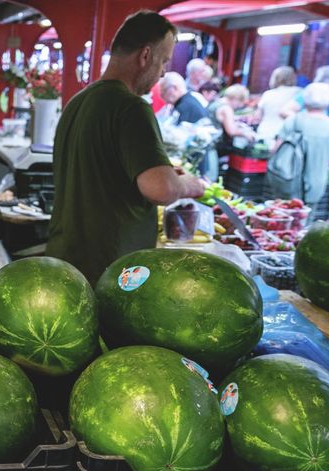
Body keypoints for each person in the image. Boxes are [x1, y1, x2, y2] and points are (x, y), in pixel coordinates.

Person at [47, 10, 209, 284]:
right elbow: (161, 189)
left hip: (67, 258)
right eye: (164, 61)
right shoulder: (131, 108)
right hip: (111, 269)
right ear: (145, 56)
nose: (163, 72)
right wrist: (190, 185)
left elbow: (106, 170)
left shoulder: (78, 101)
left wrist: (164, 172)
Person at [272, 82, 329, 207]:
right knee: (305, 220)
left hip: (287, 179)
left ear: (305, 99)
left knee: (282, 216)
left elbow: (276, 148)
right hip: (316, 183)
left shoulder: (293, 120)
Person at [201, 84, 256, 180]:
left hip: (201, 143)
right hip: (209, 146)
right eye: (241, 103)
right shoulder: (227, 108)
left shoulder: (217, 102)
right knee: (210, 177)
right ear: (237, 99)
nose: (240, 106)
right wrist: (246, 134)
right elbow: (231, 131)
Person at [254, 66, 298, 142]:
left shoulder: (268, 94)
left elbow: (257, 117)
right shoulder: (298, 93)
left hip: (265, 132)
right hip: (286, 135)